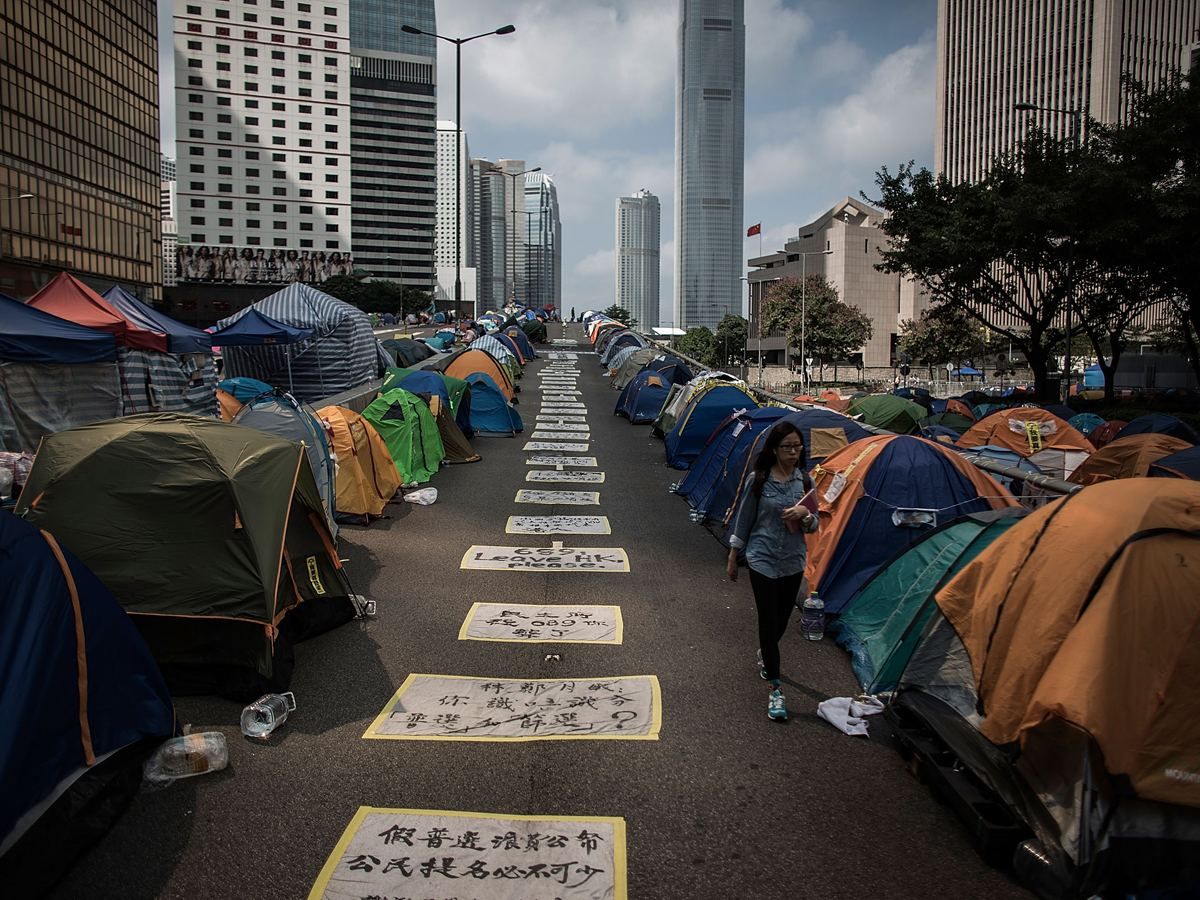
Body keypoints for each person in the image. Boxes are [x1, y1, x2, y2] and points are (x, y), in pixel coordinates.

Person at [725, 422, 819, 722]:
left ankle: (766, 651)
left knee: (780, 620)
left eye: (797, 446)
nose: (793, 452)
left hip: (792, 561)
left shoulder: (804, 482)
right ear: (775, 449)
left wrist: (805, 515)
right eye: (787, 447)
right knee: (767, 620)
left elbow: (815, 524)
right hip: (761, 558)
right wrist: (733, 554)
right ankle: (776, 689)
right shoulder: (760, 479)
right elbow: (745, 518)